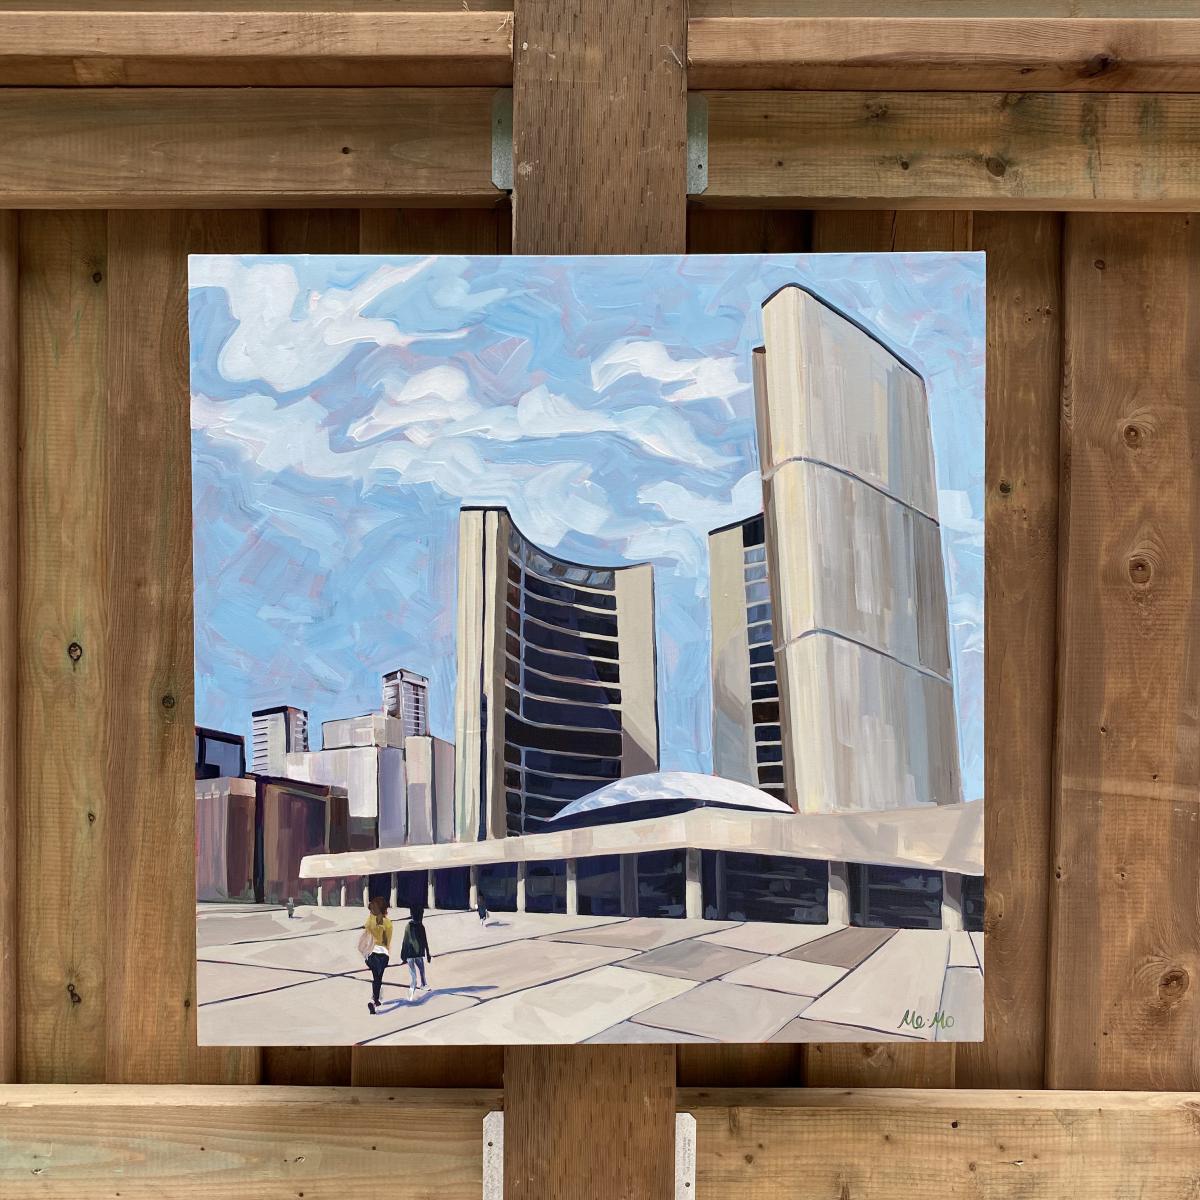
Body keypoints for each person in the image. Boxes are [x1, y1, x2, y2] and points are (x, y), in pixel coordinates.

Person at [362, 895, 392, 1014]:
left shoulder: (370, 920)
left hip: (370, 954)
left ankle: (376, 999)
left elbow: (367, 931)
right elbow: (387, 941)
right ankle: (374, 1000)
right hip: (382, 955)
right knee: (378, 979)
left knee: (376, 978)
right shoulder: (388, 923)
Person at [400, 904, 432, 1001]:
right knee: (417, 973)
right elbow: (406, 941)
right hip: (414, 954)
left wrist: (428, 953)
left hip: (414, 954)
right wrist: (403, 956)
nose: (421, 917)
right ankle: (416, 989)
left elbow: (424, 941)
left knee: (418, 972)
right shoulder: (415, 926)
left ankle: (419, 987)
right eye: (420, 915)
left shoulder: (415, 926)